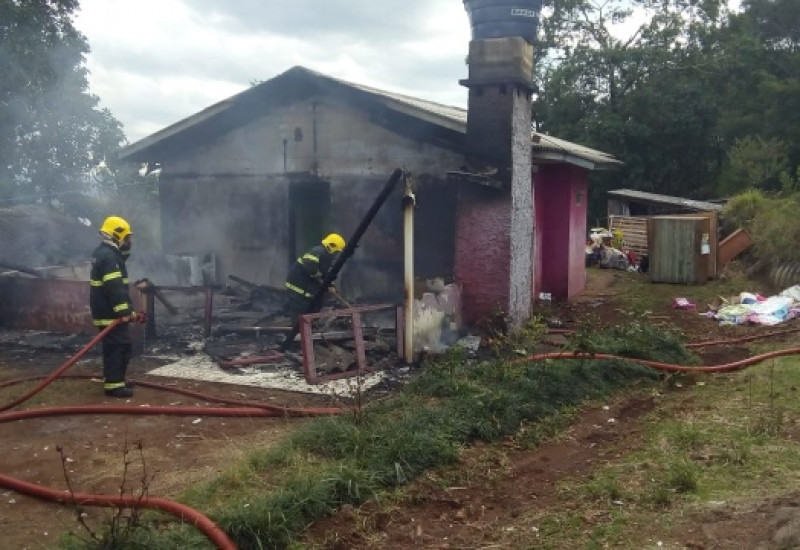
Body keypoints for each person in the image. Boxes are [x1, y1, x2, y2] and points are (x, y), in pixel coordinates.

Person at [89, 216, 145, 398]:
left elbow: (122, 262)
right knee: (119, 347)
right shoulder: (109, 257)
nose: (129, 242)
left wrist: (124, 249)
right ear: (116, 235)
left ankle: (116, 378)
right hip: (110, 313)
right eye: (127, 238)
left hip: (105, 311)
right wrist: (125, 312)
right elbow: (115, 288)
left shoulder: (104, 254)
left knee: (115, 346)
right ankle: (114, 386)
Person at [282, 233, 346, 348]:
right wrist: (317, 277)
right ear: (331, 246)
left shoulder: (327, 257)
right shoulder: (317, 251)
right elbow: (310, 265)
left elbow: (326, 273)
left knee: (315, 306)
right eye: (337, 250)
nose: (337, 253)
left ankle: (309, 333)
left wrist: (330, 284)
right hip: (297, 286)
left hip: (307, 288)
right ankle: (298, 340)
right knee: (300, 310)